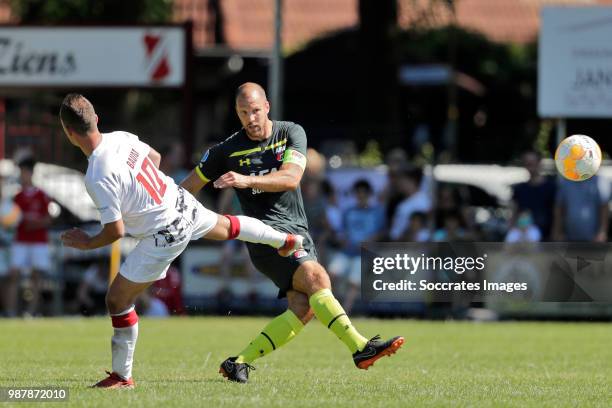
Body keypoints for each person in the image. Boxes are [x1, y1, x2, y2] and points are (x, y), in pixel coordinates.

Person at [58, 93, 304, 389]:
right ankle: (283, 239)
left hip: (163, 231)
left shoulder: (97, 174)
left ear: (69, 133)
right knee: (227, 227)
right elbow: (155, 158)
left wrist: (85, 242)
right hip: (177, 199)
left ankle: (122, 377)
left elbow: (115, 231)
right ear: (96, 118)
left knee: (117, 299)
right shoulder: (119, 137)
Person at [180, 82, 404, 384]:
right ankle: (360, 348)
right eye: (244, 112)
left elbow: (291, 177)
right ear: (237, 113)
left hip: (297, 230)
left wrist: (244, 180)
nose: (251, 118)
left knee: (303, 308)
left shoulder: (289, 133)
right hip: (265, 237)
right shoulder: (225, 151)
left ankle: (239, 362)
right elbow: (186, 190)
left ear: (267, 107)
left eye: (256, 110)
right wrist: (170, 217)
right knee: (317, 278)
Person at [327, 179, 385, 313]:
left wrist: (371, 241)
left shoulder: (377, 211)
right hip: (347, 251)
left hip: (364, 253)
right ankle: (336, 308)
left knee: (353, 283)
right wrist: (342, 239)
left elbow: (382, 232)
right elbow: (342, 231)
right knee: (331, 275)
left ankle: (344, 312)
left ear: (369, 194)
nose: (361, 196)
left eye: (363, 193)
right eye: (358, 193)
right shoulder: (348, 211)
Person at [5, 157, 53, 317]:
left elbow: (48, 219)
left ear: (31, 173)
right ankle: (11, 312)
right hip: (20, 241)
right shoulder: (16, 197)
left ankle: (31, 312)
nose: (22, 175)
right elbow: (11, 219)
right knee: (13, 276)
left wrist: (34, 223)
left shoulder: (42, 195)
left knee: (36, 276)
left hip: (38, 242)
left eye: (25, 172)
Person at [511, 151, 556, 240]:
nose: (529, 165)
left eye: (532, 162)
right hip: (523, 238)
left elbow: (557, 212)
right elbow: (514, 212)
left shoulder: (552, 187)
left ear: (539, 163)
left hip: (546, 238)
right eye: (527, 163)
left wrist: (555, 234)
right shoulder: (519, 189)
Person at [552, 174, 610, 242]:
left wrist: (602, 232)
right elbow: (559, 208)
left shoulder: (601, 181)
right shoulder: (564, 181)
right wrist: (557, 231)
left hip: (593, 239)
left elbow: (604, 208)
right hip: (568, 238)